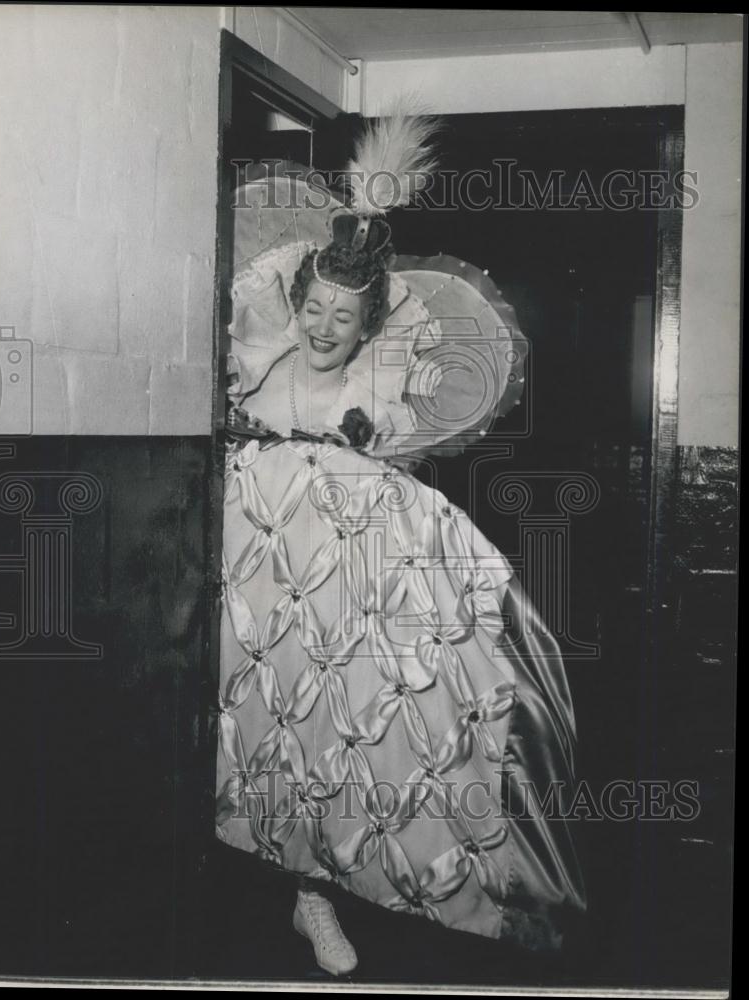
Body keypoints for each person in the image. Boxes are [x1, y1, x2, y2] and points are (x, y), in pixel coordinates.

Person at [214, 106, 586, 977]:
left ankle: (321, 896)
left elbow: (404, 457)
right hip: (248, 565)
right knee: (253, 722)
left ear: (366, 322)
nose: (323, 327)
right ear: (296, 302)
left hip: (344, 575)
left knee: (351, 734)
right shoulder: (253, 363)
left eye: (343, 316)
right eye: (314, 307)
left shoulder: (378, 389)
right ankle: (277, 882)